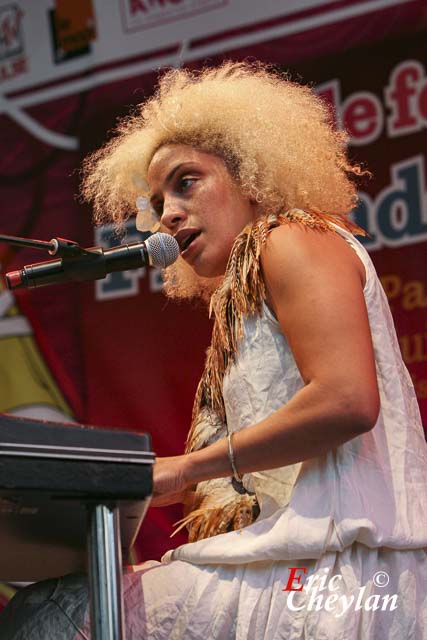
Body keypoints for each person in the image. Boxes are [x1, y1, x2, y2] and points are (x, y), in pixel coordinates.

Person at [1, 61, 427, 639]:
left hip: (338, 577)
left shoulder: (290, 238)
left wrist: (183, 470)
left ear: (252, 173)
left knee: (48, 619)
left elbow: (348, 399)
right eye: (156, 200)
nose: (167, 213)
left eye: (186, 181)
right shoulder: (245, 290)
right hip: (300, 569)